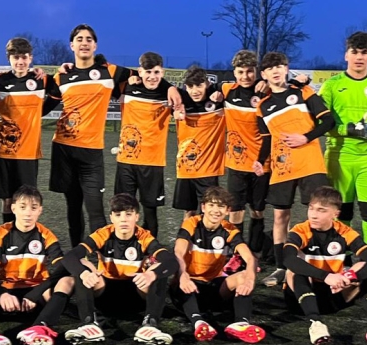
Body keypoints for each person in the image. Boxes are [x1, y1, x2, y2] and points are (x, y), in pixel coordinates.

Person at [49, 24, 181, 246]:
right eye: (79, 39)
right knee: (72, 206)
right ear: (71, 45)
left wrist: (170, 87)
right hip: (64, 148)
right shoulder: (62, 76)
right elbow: (44, 103)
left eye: (89, 39)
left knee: (96, 209)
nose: (84, 43)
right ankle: (76, 251)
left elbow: (147, 75)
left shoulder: (109, 72)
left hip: (92, 152)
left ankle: (103, 253)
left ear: (95, 45)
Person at [319, 32, 367, 290]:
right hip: (339, 158)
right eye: (355, 52)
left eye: (364, 52)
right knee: (343, 214)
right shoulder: (332, 85)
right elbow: (321, 122)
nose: (359, 57)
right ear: (346, 55)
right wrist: (346, 130)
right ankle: (344, 265)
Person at [254, 52, 334, 287]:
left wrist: (306, 137)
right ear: (264, 74)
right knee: (280, 216)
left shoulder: (303, 92)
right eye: (270, 68)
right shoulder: (262, 106)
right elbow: (267, 140)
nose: (276, 71)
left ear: (286, 69)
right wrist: (260, 161)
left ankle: (320, 263)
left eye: (279, 66)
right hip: (282, 168)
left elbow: (329, 121)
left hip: (310, 164)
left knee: (319, 213)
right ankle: (281, 267)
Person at [282, 186, 367, 345]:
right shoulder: (300, 231)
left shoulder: (344, 232)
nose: (313, 215)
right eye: (311, 208)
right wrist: (326, 276)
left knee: (364, 269)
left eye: (321, 210)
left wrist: (351, 277)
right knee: (294, 271)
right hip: (300, 300)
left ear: (335, 214)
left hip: (334, 295)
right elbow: (288, 259)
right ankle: (316, 324)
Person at [61, 193, 179, 345]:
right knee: (83, 266)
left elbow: (171, 261)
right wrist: (84, 273)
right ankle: (89, 324)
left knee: (158, 270)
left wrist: (151, 274)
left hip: (135, 296)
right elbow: (70, 257)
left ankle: (150, 324)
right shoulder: (103, 234)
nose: (123, 219)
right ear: (111, 217)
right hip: (105, 295)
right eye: (118, 215)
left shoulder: (144, 237)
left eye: (128, 214)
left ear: (136, 217)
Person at [0, 186, 75, 345]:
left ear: (40, 210)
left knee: (67, 281)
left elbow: (61, 268)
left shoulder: (46, 235)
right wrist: (2, 293)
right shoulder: (1, 233)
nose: (28, 213)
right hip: (6, 296)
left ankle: (40, 326)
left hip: (36, 296)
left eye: (33, 208)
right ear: (13, 208)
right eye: (23, 207)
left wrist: (36, 293)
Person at [170, 187, 264, 343]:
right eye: (211, 205)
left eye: (221, 206)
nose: (215, 210)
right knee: (183, 282)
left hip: (213, 287)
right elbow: (178, 252)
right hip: (188, 286)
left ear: (227, 210)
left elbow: (250, 259)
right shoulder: (191, 224)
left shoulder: (230, 230)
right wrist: (183, 275)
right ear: (203, 207)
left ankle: (241, 323)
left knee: (243, 276)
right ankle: (198, 323)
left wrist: (250, 279)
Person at [0, 37, 60, 225]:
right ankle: (7, 235)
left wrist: (38, 113)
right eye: (16, 57)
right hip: (3, 151)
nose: (20, 62)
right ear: (9, 59)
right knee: (7, 201)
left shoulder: (40, 79)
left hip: (28, 152)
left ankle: (25, 237)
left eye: (24, 57)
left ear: (31, 58)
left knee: (26, 200)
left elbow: (57, 94)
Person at [217, 50, 272, 270]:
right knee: (235, 211)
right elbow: (200, 88)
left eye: (250, 71)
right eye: (240, 72)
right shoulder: (226, 90)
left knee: (257, 210)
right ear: (234, 72)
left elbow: (291, 87)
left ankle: (255, 253)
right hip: (236, 163)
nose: (245, 76)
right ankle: (237, 254)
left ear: (256, 71)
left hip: (262, 163)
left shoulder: (267, 92)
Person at [114, 51, 175, 238]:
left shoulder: (168, 93)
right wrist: (131, 75)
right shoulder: (126, 87)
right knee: (123, 208)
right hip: (126, 160)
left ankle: (151, 249)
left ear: (162, 72)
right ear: (140, 71)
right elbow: (106, 71)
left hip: (152, 162)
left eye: (156, 72)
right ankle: (124, 246)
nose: (152, 77)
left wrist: (170, 87)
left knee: (150, 212)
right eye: (147, 72)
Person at [172, 66, 226, 219]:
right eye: (190, 86)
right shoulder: (180, 99)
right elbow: (162, 88)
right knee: (189, 211)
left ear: (207, 84)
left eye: (199, 85)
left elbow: (235, 87)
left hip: (209, 170)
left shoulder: (217, 97)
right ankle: (187, 234)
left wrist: (220, 92)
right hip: (185, 168)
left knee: (209, 211)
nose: (195, 91)